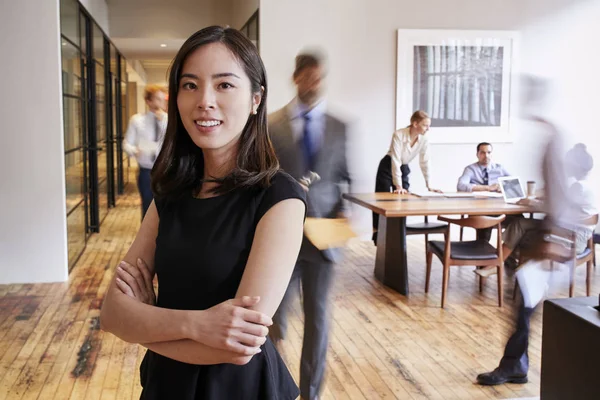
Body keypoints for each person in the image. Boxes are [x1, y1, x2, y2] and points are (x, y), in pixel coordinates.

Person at [99, 26, 307, 399]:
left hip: (239, 389)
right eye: (190, 85)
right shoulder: (171, 192)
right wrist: (199, 325)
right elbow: (112, 314)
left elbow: (237, 347)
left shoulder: (280, 197)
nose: (204, 101)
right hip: (166, 386)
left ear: (256, 98)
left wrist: (144, 324)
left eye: (224, 85)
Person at [476, 85, 597, 386]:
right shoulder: (553, 139)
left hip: (561, 243)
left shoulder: (554, 142)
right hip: (554, 239)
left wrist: (552, 242)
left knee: (524, 300)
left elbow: (565, 210)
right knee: (523, 300)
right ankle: (516, 364)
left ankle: (513, 365)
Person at [268, 51, 351, 400]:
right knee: (273, 320)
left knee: (318, 320)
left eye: (319, 77)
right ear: (296, 77)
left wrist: (344, 218)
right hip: (280, 239)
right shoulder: (271, 125)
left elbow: (344, 177)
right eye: (308, 77)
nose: (314, 84)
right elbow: (262, 178)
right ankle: (273, 386)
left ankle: (310, 393)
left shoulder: (340, 126)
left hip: (325, 239)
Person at [373, 110, 440, 244]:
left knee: (403, 202)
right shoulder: (399, 134)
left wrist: (429, 184)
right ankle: (378, 236)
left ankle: (398, 236)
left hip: (403, 167)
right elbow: (396, 160)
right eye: (425, 125)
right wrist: (398, 186)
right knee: (382, 203)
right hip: (388, 165)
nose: (428, 128)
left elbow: (425, 161)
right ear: (415, 124)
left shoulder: (424, 139)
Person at [123, 84, 168, 219]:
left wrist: (162, 123)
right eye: (158, 99)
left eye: (163, 99)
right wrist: (133, 151)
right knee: (148, 207)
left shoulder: (170, 120)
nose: (162, 103)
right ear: (149, 101)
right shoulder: (137, 120)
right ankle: (147, 238)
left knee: (166, 206)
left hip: (166, 171)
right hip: (146, 171)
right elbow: (126, 143)